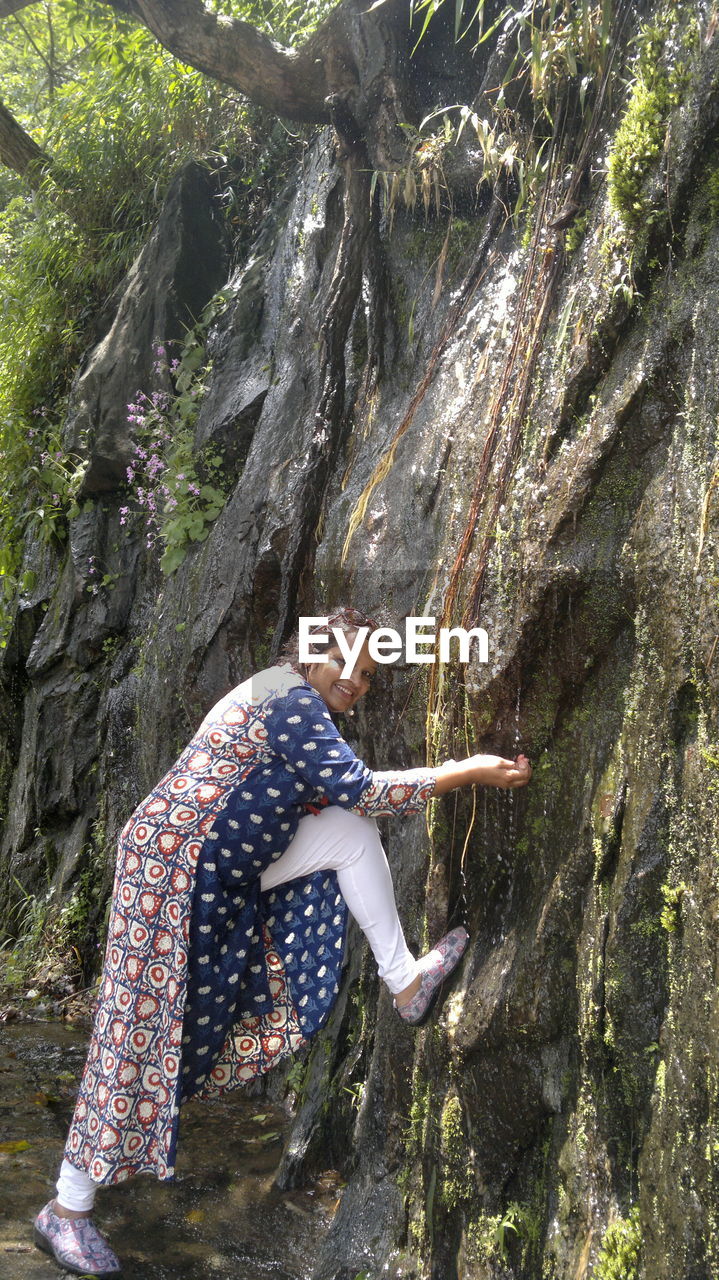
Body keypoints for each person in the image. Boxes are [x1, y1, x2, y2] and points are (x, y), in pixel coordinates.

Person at [33, 607, 532, 1278]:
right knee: (134, 1035)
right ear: (308, 652)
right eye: (345, 663)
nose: (354, 680)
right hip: (168, 873)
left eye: (367, 673)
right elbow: (359, 788)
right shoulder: (286, 694)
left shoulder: (295, 705)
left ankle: (405, 982)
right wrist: (464, 770)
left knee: (349, 838)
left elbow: (342, 808)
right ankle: (65, 1211)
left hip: (218, 867)